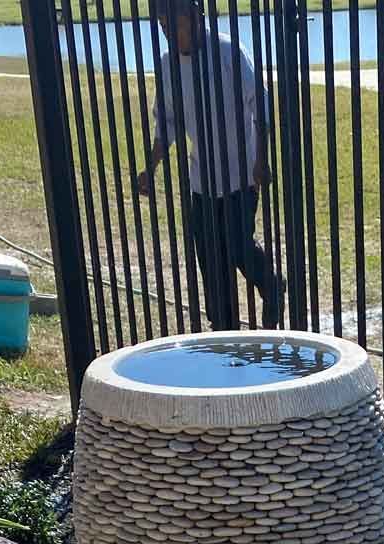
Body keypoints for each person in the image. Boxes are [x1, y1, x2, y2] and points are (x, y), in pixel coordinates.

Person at [137, 0, 283, 330]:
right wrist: (150, 168)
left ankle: (273, 287)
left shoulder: (229, 51)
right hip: (201, 181)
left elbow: (259, 102)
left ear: (195, 17)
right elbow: (167, 122)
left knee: (236, 245)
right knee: (209, 257)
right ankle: (224, 327)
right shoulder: (167, 66)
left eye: (175, 24)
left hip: (240, 174)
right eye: (162, 26)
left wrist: (261, 159)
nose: (170, 34)